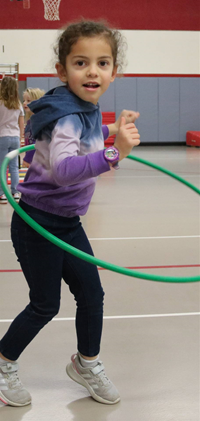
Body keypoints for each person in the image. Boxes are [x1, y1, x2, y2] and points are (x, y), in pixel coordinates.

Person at [0, 20, 140, 407]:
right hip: (38, 224)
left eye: (102, 63)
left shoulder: (84, 108)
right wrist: (116, 154)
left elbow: (89, 136)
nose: (92, 71)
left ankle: (86, 362)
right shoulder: (66, 115)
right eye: (81, 63)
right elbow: (63, 170)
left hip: (67, 222)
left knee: (91, 294)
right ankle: (2, 363)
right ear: (62, 71)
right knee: (45, 304)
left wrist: (113, 129)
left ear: (114, 71)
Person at [0, 76, 24, 204]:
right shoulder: (18, 104)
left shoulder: (0, 103)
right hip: (15, 137)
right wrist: (20, 139)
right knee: (14, 166)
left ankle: (2, 193)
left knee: (2, 167)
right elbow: (21, 124)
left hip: (2, 136)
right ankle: (16, 192)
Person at [22, 88, 45, 168]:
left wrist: (27, 158)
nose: (24, 103)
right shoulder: (29, 122)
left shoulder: (40, 121)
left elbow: (38, 142)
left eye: (28, 101)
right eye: (24, 100)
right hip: (32, 160)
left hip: (39, 161)